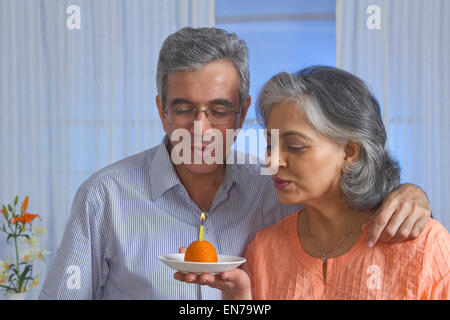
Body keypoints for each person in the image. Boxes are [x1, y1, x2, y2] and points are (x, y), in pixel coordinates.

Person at [39, 28, 431, 300]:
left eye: (219, 110)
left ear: (243, 113)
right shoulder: (104, 197)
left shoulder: (278, 185)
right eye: (183, 109)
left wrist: (409, 193)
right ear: (161, 110)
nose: (201, 129)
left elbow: (344, 192)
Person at [174, 66, 449, 299]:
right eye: (269, 144)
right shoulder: (264, 249)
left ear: (350, 151)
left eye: (295, 146)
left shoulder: (423, 245)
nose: (272, 162)